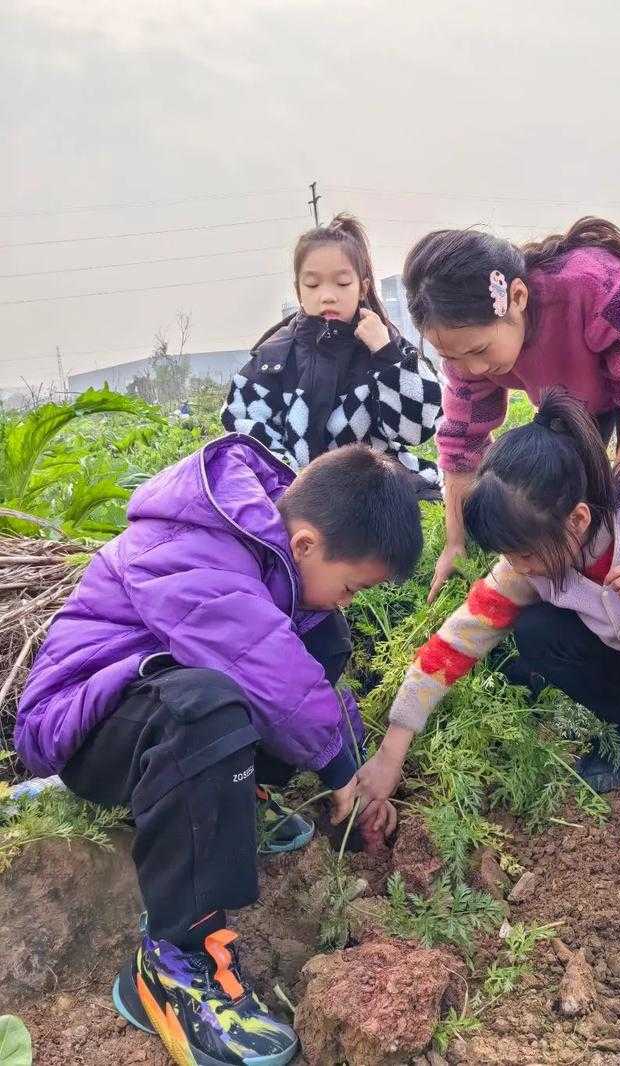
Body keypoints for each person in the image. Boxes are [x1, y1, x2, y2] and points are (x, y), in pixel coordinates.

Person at [14, 437, 420, 1066]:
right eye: (351, 585)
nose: (349, 599)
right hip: (84, 724)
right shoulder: (193, 544)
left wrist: (358, 761)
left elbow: (298, 673)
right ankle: (174, 960)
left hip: (150, 706)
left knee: (323, 639)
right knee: (207, 707)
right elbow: (263, 667)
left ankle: (232, 798)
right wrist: (342, 767)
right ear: (307, 543)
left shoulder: (267, 552)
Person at [356, 389, 620, 848]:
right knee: (538, 629)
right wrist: (391, 752)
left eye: (523, 553)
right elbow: (455, 642)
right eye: (509, 555)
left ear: (578, 519)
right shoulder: (533, 564)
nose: (518, 567)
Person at [401, 217, 620, 600]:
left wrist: (618, 499)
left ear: (518, 298)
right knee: (568, 491)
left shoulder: (594, 290)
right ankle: (578, 590)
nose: (473, 368)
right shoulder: (467, 358)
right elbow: (461, 445)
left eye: (480, 351)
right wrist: (455, 544)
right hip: (575, 388)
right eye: (452, 357)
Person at [222, 213, 443, 499]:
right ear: (298, 291)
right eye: (313, 285)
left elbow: (417, 429)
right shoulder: (274, 356)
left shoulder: (383, 343)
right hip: (299, 493)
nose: (327, 296)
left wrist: (387, 355)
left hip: (379, 487)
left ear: (362, 288)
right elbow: (244, 425)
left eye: (341, 283)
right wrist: (293, 481)